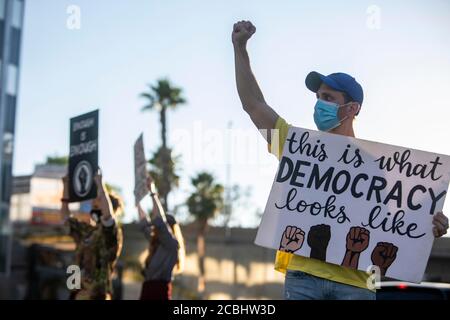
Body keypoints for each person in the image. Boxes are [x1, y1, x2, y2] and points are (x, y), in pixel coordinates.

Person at [232, 20, 449, 300]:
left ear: (352, 108)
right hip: (302, 278)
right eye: (317, 96)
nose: (318, 104)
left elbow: (398, 221)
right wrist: (239, 48)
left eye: (327, 97)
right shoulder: (297, 146)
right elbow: (254, 106)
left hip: (357, 284)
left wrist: (430, 224)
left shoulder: (380, 166)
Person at [61, 169, 123, 300]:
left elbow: (108, 216)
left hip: (96, 294)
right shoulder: (86, 231)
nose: (94, 207)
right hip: (76, 292)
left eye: (98, 203)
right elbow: (65, 219)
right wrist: (66, 185)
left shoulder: (111, 234)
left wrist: (100, 184)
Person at [137, 174, 185, 300]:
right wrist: (138, 202)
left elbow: (160, 222)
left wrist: (153, 192)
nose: (156, 228)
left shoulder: (171, 244)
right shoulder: (157, 241)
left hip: (158, 293)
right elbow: (144, 225)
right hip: (147, 291)